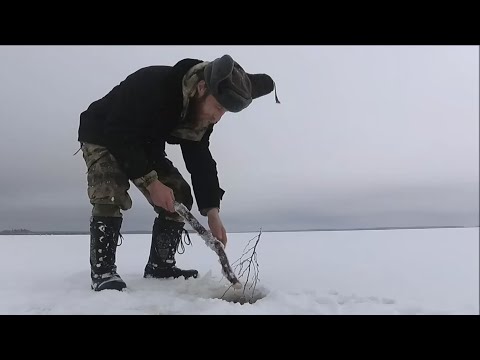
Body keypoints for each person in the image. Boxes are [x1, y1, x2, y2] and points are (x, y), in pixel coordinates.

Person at [77, 54, 278, 291]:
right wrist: (151, 182)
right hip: (103, 133)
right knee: (109, 191)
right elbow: (118, 132)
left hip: (145, 145)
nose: (217, 117)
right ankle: (103, 272)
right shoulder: (152, 85)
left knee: (179, 195)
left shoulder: (199, 113)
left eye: (224, 112)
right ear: (202, 88)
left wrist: (212, 210)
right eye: (218, 107)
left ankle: (160, 265)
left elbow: (200, 159)